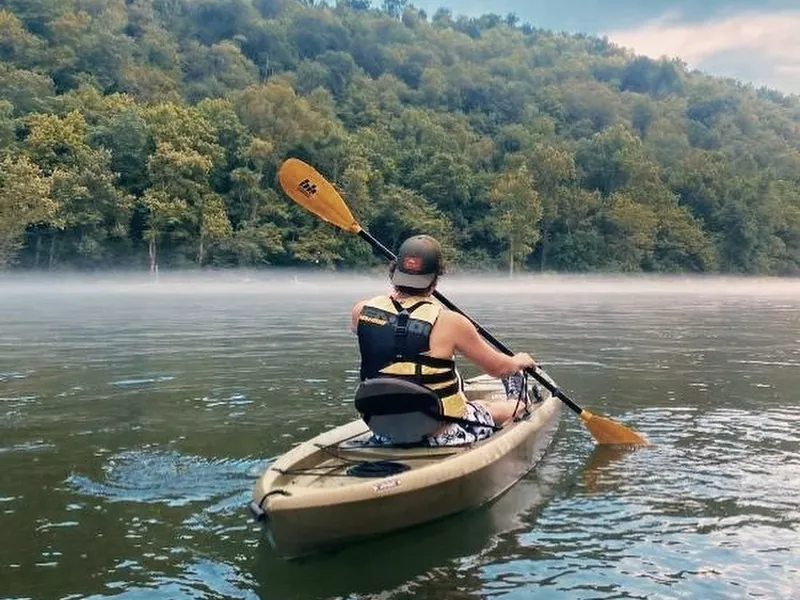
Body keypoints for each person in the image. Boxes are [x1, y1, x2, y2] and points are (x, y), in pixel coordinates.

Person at [350, 234, 536, 446]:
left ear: (394, 273)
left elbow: (389, 332)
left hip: (384, 429)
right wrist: (518, 361)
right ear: (435, 278)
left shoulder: (361, 311)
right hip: (440, 431)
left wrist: (393, 302)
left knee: (460, 392)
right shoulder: (451, 322)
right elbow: (499, 369)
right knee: (498, 407)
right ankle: (519, 400)